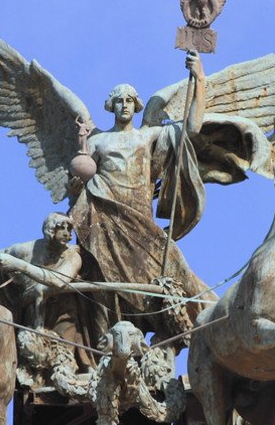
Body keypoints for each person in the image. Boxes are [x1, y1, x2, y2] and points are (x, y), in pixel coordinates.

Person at [68, 51, 216, 336]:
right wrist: (81, 144)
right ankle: (103, 341)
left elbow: (193, 128)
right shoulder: (98, 140)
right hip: (105, 217)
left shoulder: (148, 135)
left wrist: (199, 78)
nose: (124, 105)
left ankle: (198, 317)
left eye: (129, 100)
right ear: (111, 106)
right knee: (102, 279)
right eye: (119, 101)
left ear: (136, 106)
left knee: (173, 267)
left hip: (140, 220)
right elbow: (81, 174)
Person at [0, 212, 95, 370]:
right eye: (62, 228)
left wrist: (19, 265)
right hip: (31, 315)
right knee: (32, 364)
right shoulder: (25, 251)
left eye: (69, 230)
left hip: (63, 315)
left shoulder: (73, 256)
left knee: (61, 361)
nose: (67, 234)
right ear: (50, 230)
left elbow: (57, 281)